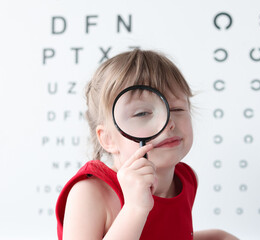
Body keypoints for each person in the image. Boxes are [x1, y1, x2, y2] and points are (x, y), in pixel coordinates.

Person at [55, 49, 239, 240]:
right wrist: (135, 208)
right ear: (108, 139)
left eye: (177, 109)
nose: (169, 123)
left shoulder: (185, 179)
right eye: (142, 113)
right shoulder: (90, 193)